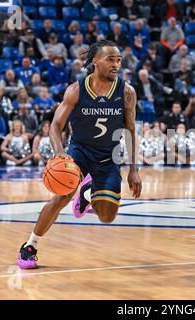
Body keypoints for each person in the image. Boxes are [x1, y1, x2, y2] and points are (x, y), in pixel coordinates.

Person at [16, 40, 142, 269]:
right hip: (80, 151)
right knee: (61, 196)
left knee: (107, 216)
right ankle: (30, 246)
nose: (116, 64)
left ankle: (87, 194)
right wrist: (60, 154)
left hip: (108, 156)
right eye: (110, 59)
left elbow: (131, 130)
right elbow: (55, 125)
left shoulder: (127, 92)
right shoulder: (76, 90)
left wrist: (134, 169)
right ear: (95, 62)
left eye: (118, 60)